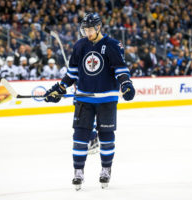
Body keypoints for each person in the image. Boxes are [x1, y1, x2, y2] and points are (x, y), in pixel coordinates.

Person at [43, 13, 135, 190]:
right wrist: (60, 89)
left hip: (107, 99)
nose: (87, 32)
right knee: (80, 136)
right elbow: (72, 74)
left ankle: (106, 169)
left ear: (99, 27)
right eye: (84, 29)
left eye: (90, 29)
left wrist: (126, 83)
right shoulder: (80, 45)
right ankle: (78, 172)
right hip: (84, 98)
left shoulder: (113, 45)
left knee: (106, 136)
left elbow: (120, 69)